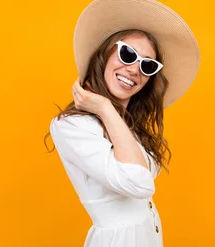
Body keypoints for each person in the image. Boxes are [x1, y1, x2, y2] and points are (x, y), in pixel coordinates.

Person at [45, 0, 200, 246]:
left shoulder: (128, 127)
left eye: (147, 65)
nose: (134, 69)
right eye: (127, 54)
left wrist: (111, 114)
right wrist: (105, 108)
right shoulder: (73, 126)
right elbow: (138, 182)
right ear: (105, 53)